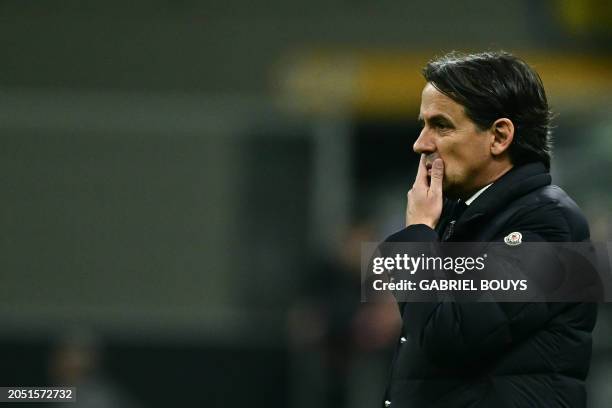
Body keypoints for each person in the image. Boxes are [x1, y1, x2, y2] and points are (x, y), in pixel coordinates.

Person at [380, 51, 598, 407]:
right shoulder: (461, 216)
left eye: (441, 125)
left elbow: (446, 335)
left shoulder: (550, 223)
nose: (421, 143)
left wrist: (418, 231)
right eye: (423, 124)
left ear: (499, 136)